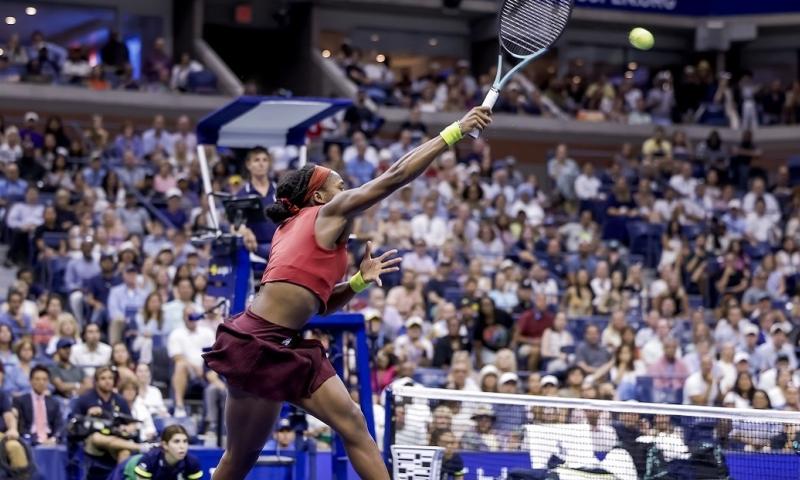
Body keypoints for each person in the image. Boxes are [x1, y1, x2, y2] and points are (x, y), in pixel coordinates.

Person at [202, 106, 492, 480]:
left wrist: (357, 281)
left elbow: (315, 306)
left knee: (353, 424)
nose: (347, 189)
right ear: (321, 198)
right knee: (239, 460)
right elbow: (395, 176)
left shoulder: (294, 230)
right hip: (256, 345)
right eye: (339, 185)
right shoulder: (326, 214)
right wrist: (455, 132)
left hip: (283, 344)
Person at [109, 425, 203, 480]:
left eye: (185, 441)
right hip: (129, 470)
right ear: (165, 445)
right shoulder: (150, 460)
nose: (182, 446)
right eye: (176, 441)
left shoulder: (192, 463)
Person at [14, 365, 63, 445]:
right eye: (37, 379)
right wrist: (34, 440)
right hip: (29, 439)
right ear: (30, 381)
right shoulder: (20, 401)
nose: (41, 382)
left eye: (45, 379)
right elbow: (20, 426)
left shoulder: (54, 403)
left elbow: (59, 425)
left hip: (50, 439)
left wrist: (54, 438)